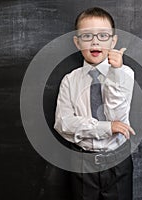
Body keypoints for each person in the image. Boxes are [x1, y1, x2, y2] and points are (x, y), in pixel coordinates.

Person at [54, 7, 135, 200]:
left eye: (103, 35)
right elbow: (63, 123)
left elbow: (117, 117)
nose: (95, 41)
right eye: (87, 36)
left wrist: (115, 73)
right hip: (82, 163)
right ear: (77, 42)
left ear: (113, 41)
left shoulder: (124, 74)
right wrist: (105, 127)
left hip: (117, 162)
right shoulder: (70, 80)